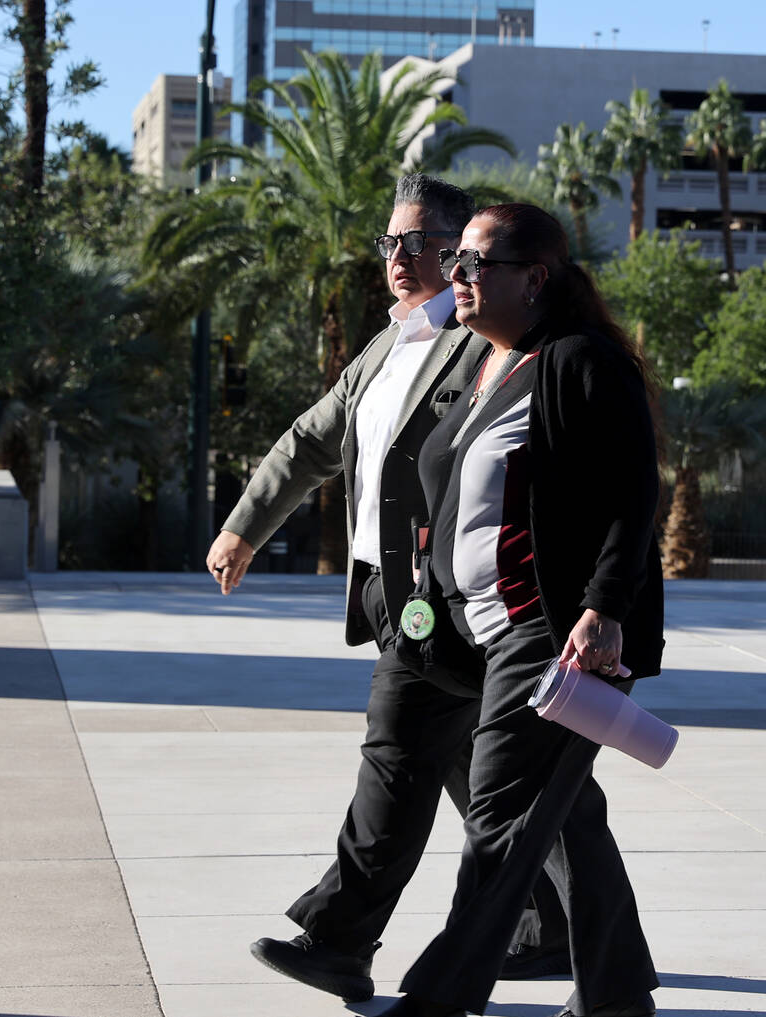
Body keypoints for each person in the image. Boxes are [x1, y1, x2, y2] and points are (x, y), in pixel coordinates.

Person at [207, 174, 569, 1004]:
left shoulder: (491, 338)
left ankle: (340, 937)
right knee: (498, 776)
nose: (398, 259)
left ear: (460, 252)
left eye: (418, 244)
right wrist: (244, 525)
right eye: (388, 244)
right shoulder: (390, 341)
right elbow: (311, 440)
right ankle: (553, 927)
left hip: (454, 599)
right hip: (391, 588)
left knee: (408, 756)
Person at [377, 202, 663, 1017]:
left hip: (555, 632)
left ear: (535, 278)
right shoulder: (491, 361)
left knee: (499, 815)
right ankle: (615, 995)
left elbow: (633, 497)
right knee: (562, 809)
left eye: (474, 263)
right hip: (483, 632)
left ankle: (437, 996)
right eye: (455, 261)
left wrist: (604, 607)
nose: (454, 275)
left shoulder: (581, 362)